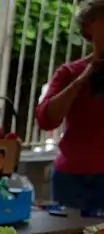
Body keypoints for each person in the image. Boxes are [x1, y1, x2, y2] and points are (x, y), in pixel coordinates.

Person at [35, 0, 104, 216]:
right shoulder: (69, 72)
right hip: (71, 178)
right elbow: (47, 120)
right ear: (89, 27)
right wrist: (83, 78)